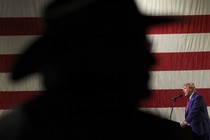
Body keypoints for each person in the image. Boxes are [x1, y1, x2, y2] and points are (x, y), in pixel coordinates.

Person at [0, 0, 183, 139]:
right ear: (82, 56)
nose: (151, 59)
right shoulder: (157, 134)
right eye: (130, 47)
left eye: (144, 46)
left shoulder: (12, 131)